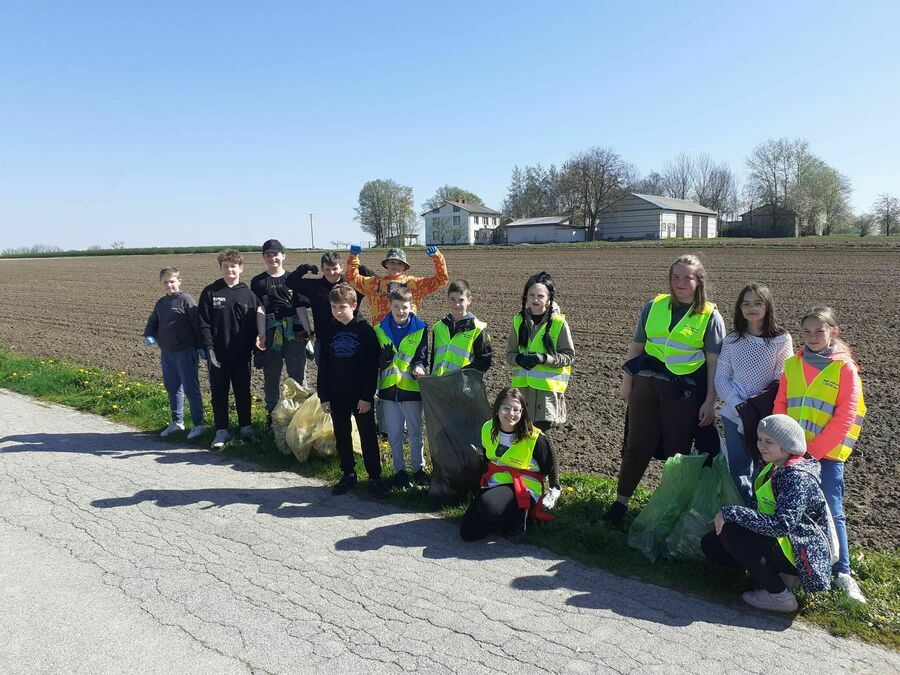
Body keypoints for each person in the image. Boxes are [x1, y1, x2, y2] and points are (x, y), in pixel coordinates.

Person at [606, 254, 725, 526]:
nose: (680, 283)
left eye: (687, 277)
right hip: (645, 386)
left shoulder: (710, 316)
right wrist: (627, 382)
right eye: (675, 277)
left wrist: (709, 401)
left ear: (699, 281)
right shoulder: (654, 306)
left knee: (677, 454)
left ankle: (667, 510)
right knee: (636, 445)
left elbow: (713, 364)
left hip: (682, 393)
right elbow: (636, 347)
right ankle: (620, 503)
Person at [773, 306, 867, 603]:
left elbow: (846, 416)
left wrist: (811, 451)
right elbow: (781, 405)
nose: (813, 337)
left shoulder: (844, 368)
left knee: (831, 510)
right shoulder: (792, 365)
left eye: (820, 331)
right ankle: (798, 567)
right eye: (807, 332)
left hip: (825, 455)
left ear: (833, 333)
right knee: (791, 508)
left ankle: (843, 573)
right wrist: (782, 441)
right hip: (793, 453)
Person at [702, 415, 833, 613]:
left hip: (802, 553)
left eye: (769, 442)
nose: (761, 445)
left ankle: (780, 595)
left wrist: (731, 513)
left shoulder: (796, 477)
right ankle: (766, 576)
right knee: (712, 543)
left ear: (787, 445)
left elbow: (782, 525)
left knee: (730, 530)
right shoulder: (774, 465)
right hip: (786, 542)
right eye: (759, 439)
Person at [715, 283, 793, 503]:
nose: (752, 308)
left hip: (764, 417)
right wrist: (738, 405)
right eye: (746, 304)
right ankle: (744, 512)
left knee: (764, 469)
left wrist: (754, 407)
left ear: (767, 307)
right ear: (739, 308)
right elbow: (721, 377)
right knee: (738, 469)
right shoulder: (732, 340)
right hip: (733, 414)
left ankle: (762, 515)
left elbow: (781, 379)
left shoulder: (781, 339)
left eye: (758, 303)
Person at [460, 387, 560, 541]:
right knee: (468, 532)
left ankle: (522, 519)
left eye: (516, 410)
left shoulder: (534, 437)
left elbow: (547, 468)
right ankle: (500, 518)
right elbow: (488, 458)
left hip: (525, 487)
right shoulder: (488, 428)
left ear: (522, 412)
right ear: (497, 408)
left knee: (490, 507)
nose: (511, 414)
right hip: (496, 483)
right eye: (506, 408)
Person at [317, 283, 389, 498]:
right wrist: (324, 396)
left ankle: (375, 477)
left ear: (354, 305)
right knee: (342, 434)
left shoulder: (365, 331)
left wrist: (367, 396)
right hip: (336, 394)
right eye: (334, 307)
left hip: (360, 396)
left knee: (367, 436)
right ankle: (348, 473)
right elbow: (324, 365)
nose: (338, 312)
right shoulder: (329, 330)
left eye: (342, 307)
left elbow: (371, 367)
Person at [197, 250, 260, 449]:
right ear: (221, 268)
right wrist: (209, 349)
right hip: (218, 355)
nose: (229, 270)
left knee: (243, 391)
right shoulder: (210, 292)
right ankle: (221, 430)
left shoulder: (249, 294)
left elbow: (254, 327)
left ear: (241, 268)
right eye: (225, 266)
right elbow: (203, 323)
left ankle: (245, 427)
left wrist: (256, 350)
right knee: (219, 393)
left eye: (233, 266)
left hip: (241, 356)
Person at [250, 239, 314, 421]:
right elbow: (260, 308)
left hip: (294, 332)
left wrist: (309, 332)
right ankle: (273, 416)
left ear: (283, 256)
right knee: (271, 375)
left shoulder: (293, 280)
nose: (272, 258)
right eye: (268, 255)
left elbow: (301, 307)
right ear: (263, 257)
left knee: (298, 375)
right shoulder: (259, 282)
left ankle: (300, 417)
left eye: (276, 254)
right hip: (271, 333)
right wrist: (261, 334)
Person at [374, 287, 430, 489]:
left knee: (415, 433)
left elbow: (422, 356)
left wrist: (420, 366)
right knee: (394, 434)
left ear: (411, 306)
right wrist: (381, 360)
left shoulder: (421, 328)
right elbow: (374, 361)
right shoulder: (379, 329)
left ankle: (419, 469)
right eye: (396, 306)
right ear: (390, 306)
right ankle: (399, 471)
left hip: (412, 390)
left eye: (404, 307)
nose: (400, 311)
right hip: (389, 392)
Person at [505, 272, 574, 433]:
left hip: (546, 397)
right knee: (521, 440)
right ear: (526, 298)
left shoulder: (559, 323)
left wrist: (544, 359)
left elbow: (569, 356)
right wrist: (519, 359)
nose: (535, 300)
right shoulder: (518, 322)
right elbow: (510, 355)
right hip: (522, 395)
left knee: (541, 441)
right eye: (532, 295)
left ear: (549, 299)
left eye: (540, 296)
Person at [143, 267, 206, 439]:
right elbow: (152, 322)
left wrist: (201, 346)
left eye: (172, 282)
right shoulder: (161, 303)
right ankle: (177, 422)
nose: (169, 285)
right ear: (161, 283)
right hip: (167, 353)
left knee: (191, 389)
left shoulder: (186, 300)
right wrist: (148, 334)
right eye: (166, 282)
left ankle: (198, 424)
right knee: (172, 388)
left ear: (179, 281)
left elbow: (197, 325)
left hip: (185, 352)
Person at [285, 251, 376, 358]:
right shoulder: (314, 287)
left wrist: (356, 267)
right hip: (324, 341)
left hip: (351, 340)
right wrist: (305, 268)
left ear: (342, 267)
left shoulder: (353, 285)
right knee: (325, 374)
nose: (331, 272)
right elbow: (290, 282)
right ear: (322, 269)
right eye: (327, 269)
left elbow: (375, 281)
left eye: (335, 269)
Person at [345, 245, 449, 326]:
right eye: (392, 262)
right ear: (386, 264)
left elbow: (441, 279)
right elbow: (352, 277)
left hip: (406, 337)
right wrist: (353, 257)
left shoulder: (414, 284)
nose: (395, 266)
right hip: (380, 336)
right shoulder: (374, 283)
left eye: (399, 263)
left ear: (405, 267)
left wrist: (438, 258)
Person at [431, 280, 492, 376]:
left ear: (469, 300)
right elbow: (433, 359)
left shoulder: (477, 328)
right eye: (452, 299)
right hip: (439, 384)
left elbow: (484, 361)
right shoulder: (438, 327)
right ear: (447, 299)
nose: (457, 304)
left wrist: (462, 374)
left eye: (461, 300)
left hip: (463, 385)